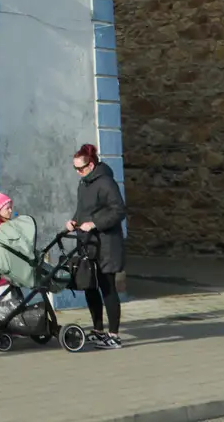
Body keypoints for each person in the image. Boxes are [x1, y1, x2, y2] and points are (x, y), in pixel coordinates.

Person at [67, 143, 126, 348]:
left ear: (91, 165)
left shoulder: (106, 182)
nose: (78, 172)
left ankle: (114, 335)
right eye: (75, 168)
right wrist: (73, 221)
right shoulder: (84, 184)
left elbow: (118, 211)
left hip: (107, 244)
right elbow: (83, 210)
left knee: (107, 288)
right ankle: (98, 330)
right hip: (89, 243)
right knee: (90, 287)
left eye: (81, 168)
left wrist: (95, 224)